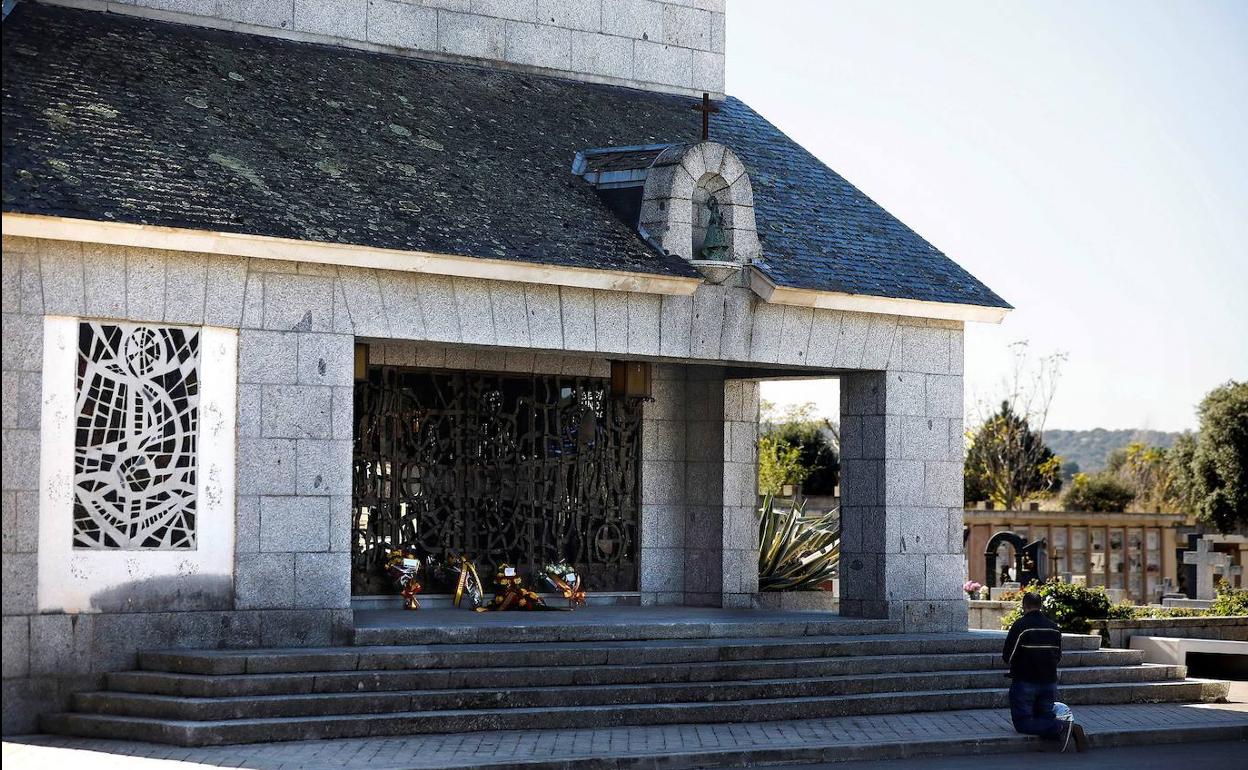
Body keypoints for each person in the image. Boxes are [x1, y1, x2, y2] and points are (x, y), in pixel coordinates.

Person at [1002, 592, 1089, 752]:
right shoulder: (1054, 628)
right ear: (1040, 605)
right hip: (1049, 681)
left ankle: (1063, 727)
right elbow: (1058, 656)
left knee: (1022, 723)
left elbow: (1008, 655)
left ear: (1024, 606)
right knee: (1045, 716)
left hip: (1025, 680)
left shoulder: (1021, 626)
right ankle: (1060, 729)